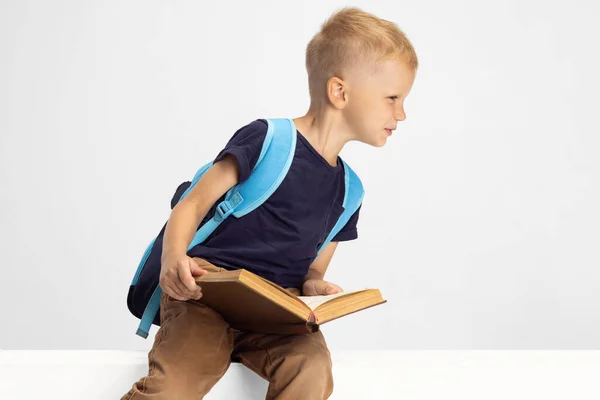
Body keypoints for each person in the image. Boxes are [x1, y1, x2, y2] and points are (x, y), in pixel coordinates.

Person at [121, 6, 417, 399]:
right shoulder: (269, 140)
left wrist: (315, 285)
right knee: (179, 381)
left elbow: (312, 268)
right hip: (206, 293)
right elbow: (191, 204)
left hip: (275, 311)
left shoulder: (350, 190)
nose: (402, 113)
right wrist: (174, 259)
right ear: (339, 92)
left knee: (312, 370)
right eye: (392, 98)